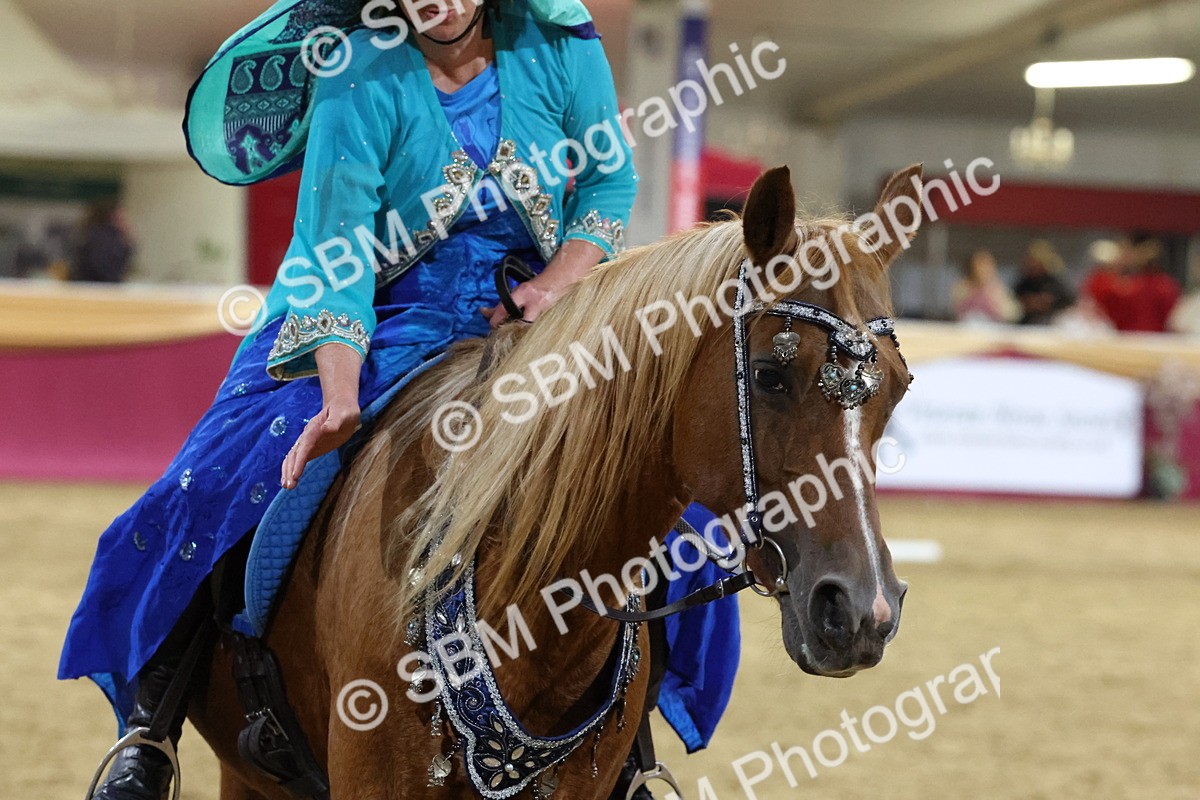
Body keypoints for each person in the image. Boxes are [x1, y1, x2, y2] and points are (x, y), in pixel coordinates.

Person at [59, 2, 668, 798]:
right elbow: (335, 249)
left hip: (534, 309)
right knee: (209, 480)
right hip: (376, 312)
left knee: (661, 489)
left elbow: (610, 182)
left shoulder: (561, 41)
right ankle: (153, 726)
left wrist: (558, 285)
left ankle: (633, 753)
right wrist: (340, 394)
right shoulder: (354, 70)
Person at [1013, 239, 1074, 325]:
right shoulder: (1024, 282)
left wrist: (1048, 303)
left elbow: (1067, 300)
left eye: (1035, 263)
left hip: (1051, 321)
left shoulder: (1053, 283)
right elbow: (1015, 299)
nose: (1032, 266)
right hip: (1027, 322)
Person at [71, 201, 135, 283]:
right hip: (94, 285)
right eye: (122, 216)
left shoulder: (95, 232)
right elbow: (103, 268)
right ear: (113, 217)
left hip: (91, 284)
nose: (126, 220)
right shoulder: (102, 236)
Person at [951, 249, 1019, 323]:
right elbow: (957, 310)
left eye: (986, 264)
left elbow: (1013, 313)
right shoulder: (962, 288)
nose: (982, 269)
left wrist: (991, 296)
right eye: (979, 264)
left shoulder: (998, 289)